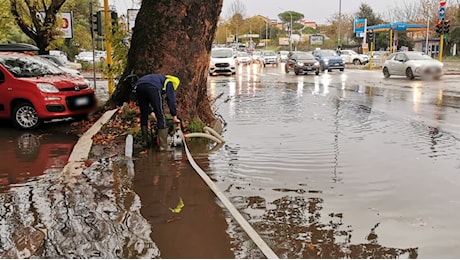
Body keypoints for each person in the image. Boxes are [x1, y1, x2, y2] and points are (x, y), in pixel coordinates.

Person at [135, 74, 181, 151]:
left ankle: (145, 141)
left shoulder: (158, 79)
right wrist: (174, 116)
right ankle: (163, 146)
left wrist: (152, 113)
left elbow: (145, 105)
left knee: (144, 113)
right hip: (153, 88)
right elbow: (171, 100)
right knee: (160, 113)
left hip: (139, 86)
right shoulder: (169, 83)